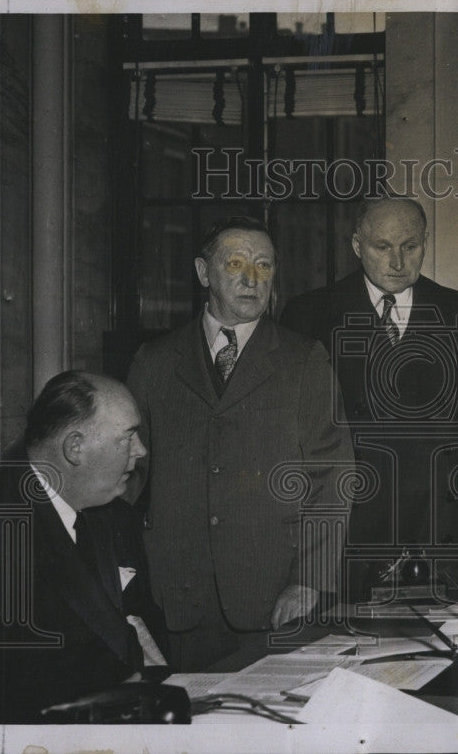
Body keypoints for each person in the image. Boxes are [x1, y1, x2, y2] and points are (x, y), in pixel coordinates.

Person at [126, 216, 353, 670]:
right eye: (236, 263)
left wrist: (308, 579)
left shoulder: (303, 359)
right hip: (179, 597)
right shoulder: (153, 362)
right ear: (202, 273)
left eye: (264, 265)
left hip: (274, 597)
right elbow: (128, 475)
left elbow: (335, 476)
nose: (252, 278)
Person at [280, 197, 458, 597]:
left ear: (426, 243)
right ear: (357, 246)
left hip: (435, 538)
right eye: (382, 247)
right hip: (346, 537)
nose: (397, 262)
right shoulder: (309, 314)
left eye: (409, 247)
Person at [0, 371, 168, 723]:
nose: (141, 450)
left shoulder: (115, 516)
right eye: (128, 437)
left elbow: (147, 627)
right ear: (75, 448)